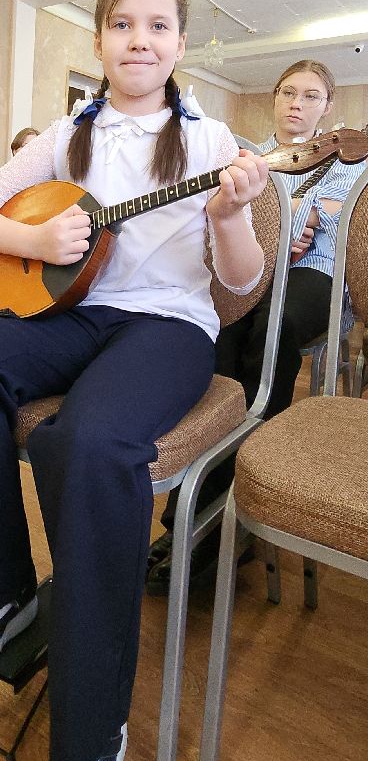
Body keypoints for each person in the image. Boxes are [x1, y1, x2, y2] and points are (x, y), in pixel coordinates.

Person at [0, 0, 268, 761]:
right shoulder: (62, 135)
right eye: (121, 25)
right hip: (74, 315)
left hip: (169, 326)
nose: (139, 41)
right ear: (101, 38)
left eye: (158, 26)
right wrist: (34, 242)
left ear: (181, 43)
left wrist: (234, 212)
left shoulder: (212, 143)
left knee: (91, 441)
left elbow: (241, 285)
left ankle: (92, 724)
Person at [146, 58, 366, 595]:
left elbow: (344, 229)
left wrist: (303, 224)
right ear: (273, 99)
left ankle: (234, 500)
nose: (298, 103)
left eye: (312, 96)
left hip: (318, 275)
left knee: (276, 324)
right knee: (221, 324)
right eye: (289, 92)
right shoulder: (250, 157)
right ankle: (195, 506)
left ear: (328, 107)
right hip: (260, 270)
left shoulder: (352, 162)